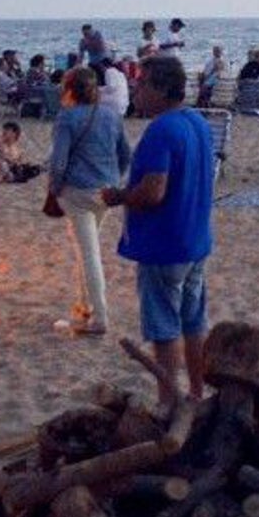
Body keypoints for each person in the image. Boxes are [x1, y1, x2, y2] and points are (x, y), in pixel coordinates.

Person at [102, 56, 212, 408]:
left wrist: (118, 196)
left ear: (162, 89)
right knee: (193, 322)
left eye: (142, 83)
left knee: (165, 328)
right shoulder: (197, 122)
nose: (135, 89)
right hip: (194, 240)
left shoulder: (162, 129)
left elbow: (154, 191)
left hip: (165, 245)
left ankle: (169, 403)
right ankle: (196, 392)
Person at [48, 67, 131, 336]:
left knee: (88, 252)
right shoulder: (111, 115)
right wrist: (113, 178)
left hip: (77, 191)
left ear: (69, 89)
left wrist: (54, 188)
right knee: (87, 247)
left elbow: (58, 161)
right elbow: (125, 154)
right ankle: (85, 306)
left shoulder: (67, 118)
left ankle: (100, 318)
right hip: (105, 191)